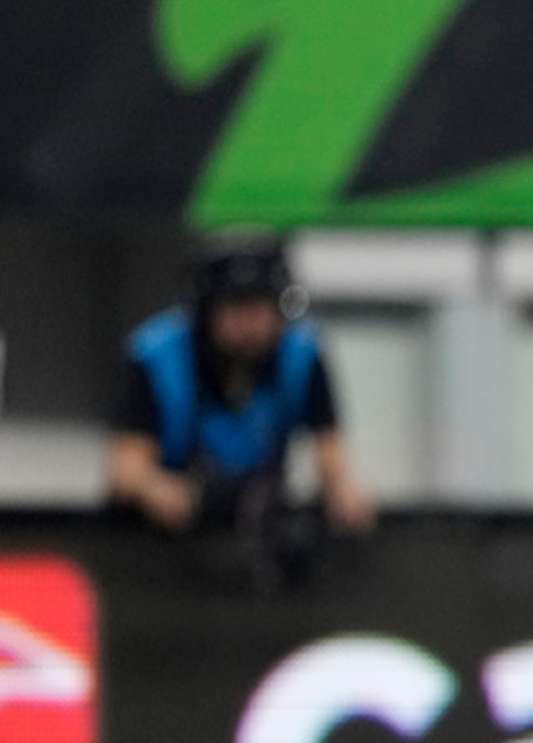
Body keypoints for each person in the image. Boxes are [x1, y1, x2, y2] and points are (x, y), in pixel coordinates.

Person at [107, 240, 373, 581]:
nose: (250, 325)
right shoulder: (156, 355)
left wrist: (344, 491)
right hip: (167, 543)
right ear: (207, 311)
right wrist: (158, 490)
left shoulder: (301, 351)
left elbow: (331, 456)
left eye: (260, 308)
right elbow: (126, 470)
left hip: (261, 522)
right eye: (235, 308)